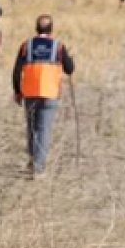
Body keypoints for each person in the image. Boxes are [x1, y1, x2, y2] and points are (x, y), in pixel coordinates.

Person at [13, 15, 75, 178]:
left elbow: (17, 70)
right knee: (43, 130)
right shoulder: (58, 46)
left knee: (32, 128)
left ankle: (32, 161)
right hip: (50, 93)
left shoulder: (26, 45)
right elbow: (69, 69)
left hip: (30, 92)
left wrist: (17, 91)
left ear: (36, 28)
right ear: (51, 29)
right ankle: (39, 168)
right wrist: (70, 59)